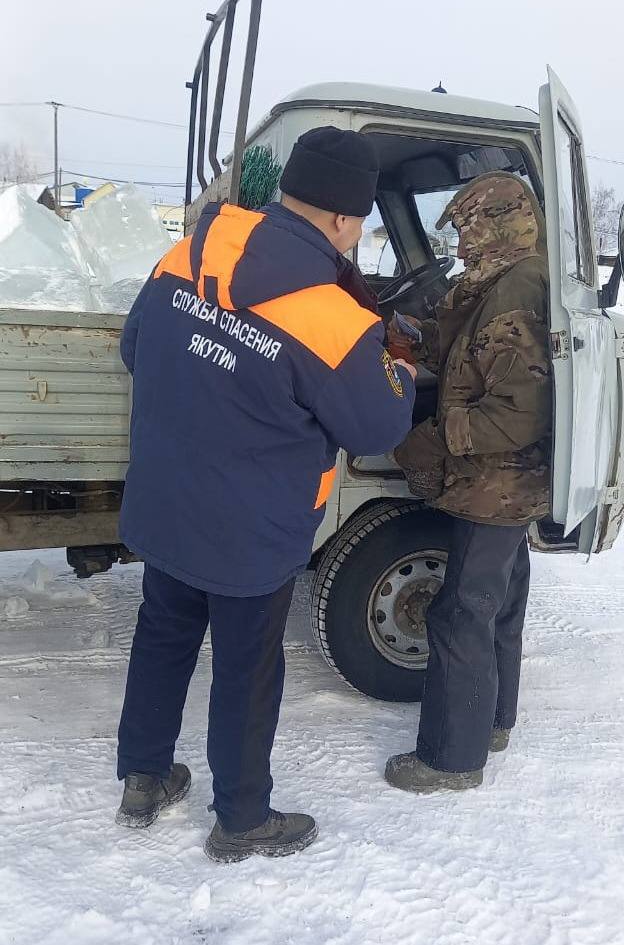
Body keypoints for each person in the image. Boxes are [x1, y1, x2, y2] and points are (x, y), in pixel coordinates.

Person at [115, 127, 417, 861]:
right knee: (247, 670)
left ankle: (144, 778)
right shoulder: (333, 318)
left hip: (167, 500)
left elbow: (134, 347)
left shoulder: (188, 254)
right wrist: (399, 367)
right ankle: (242, 817)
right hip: (251, 531)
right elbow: (378, 423)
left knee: (162, 636)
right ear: (344, 218)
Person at [384, 171, 551, 793]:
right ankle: (494, 720)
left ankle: (452, 759)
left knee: (461, 616)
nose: (460, 245)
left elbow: (516, 413)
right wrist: (419, 337)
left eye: (470, 229)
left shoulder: (515, 291)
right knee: (497, 606)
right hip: (507, 485)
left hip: (497, 485)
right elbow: (472, 355)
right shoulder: (504, 281)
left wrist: (430, 439)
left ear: (503, 224)